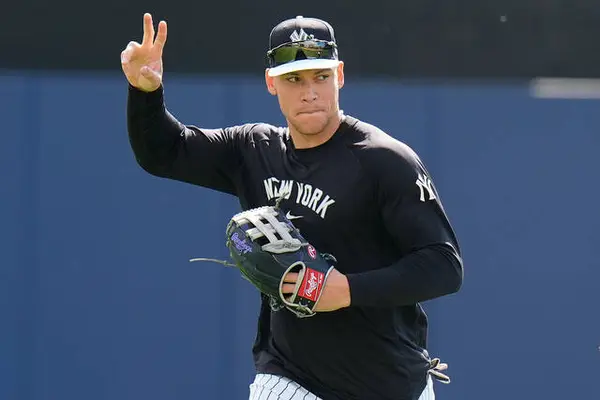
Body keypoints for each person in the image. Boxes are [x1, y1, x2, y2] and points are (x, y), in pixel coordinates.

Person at [122, 12, 464, 400]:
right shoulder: (254, 150)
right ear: (271, 82)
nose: (309, 92)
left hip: (392, 382)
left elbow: (443, 266)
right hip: (290, 377)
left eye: (320, 76)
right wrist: (145, 91)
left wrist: (346, 290)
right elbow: (165, 153)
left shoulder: (384, 160)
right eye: (294, 79)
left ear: (339, 75)